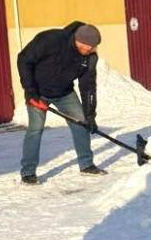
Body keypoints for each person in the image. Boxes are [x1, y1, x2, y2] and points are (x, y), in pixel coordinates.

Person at [17, 22, 105, 184]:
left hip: (64, 93)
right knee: (35, 129)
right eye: (90, 47)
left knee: (81, 123)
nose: (92, 50)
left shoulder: (89, 57)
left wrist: (90, 116)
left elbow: (88, 87)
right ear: (80, 41)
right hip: (38, 92)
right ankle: (28, 172)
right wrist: (31, 92)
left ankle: (86, 164)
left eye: (94, 48)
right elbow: (24, 59)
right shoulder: (51, 40)